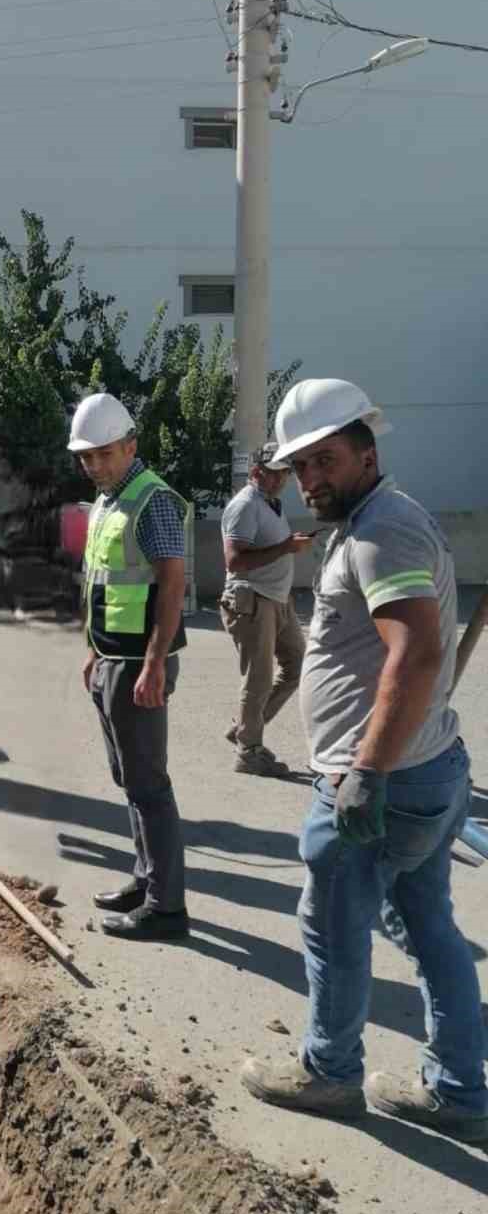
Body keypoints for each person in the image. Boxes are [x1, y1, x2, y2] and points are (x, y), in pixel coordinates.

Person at [241, 378, 487, 1144]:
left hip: (386, 781)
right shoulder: (369, 520)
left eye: (326, 461)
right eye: (301, 467)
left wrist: (367, 772)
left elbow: (414, 656)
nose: (312, 479)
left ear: (366, 452)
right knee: (429, 926)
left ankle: (329, 1073)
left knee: (333, 926)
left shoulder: (385, 532)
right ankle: (458, 1090)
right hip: (425, 771)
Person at [71, 393, 191, 942]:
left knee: (150, 785)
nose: (94, 465)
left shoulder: (151, 501)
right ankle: (145, 879)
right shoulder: (107, 502)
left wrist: (154, 664)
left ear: (130, 446)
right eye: (86, 457)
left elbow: (171, 584)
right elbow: (105, 585)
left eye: (103, 454)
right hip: (111, 660)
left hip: (140, 667)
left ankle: (167, 908)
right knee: (129, 779)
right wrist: (95, 652)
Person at [219, 445, 314, 775]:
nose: (280, 478)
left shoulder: (271, 504)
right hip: (252, 600)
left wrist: (288, 545)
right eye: (273, 472)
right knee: (257, 679)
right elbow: (234, 562)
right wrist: (286, 547)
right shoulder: (245, 505)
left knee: (296, 665)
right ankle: (249, 752)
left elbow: (270, 547)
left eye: (284, 472)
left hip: (277, 599)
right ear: (256, 471)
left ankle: (245, 728)